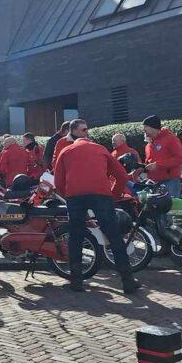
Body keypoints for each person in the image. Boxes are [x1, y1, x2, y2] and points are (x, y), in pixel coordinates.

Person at [52, 120, 139, 294]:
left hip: (75, 196)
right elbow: (122, 176)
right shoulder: (101, 149)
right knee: (114, 236)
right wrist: (113, 195)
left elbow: (58, 181)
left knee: (76, 236)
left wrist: (68, 195)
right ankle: (127, 280)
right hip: (101, 195)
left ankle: (76, 280)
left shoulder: (65, 151)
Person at [142, 116, 182, 198]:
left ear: (153, 127)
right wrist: (143, 168)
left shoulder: (171, 138)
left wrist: (157, 165)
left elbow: (180, 158)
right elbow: (150, 161)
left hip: (170, 181)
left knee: (171, 205)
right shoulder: (149, 144)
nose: (144, 130)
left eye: (146, 127)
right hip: (154, 182)